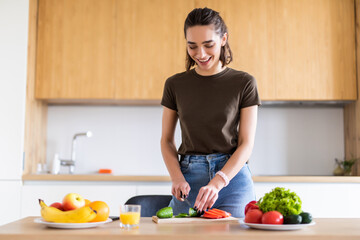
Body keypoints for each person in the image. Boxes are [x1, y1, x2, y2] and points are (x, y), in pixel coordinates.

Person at [160, 7, 261, 218]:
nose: (201, 54)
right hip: (188, 178)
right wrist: (176, 178)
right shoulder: (175, 85)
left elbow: (246, 144)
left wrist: (218, 181)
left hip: (232, 178)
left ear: (223, 39)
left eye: (208, 45)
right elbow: (166, 140)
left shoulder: (244, 83)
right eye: (192, 46)